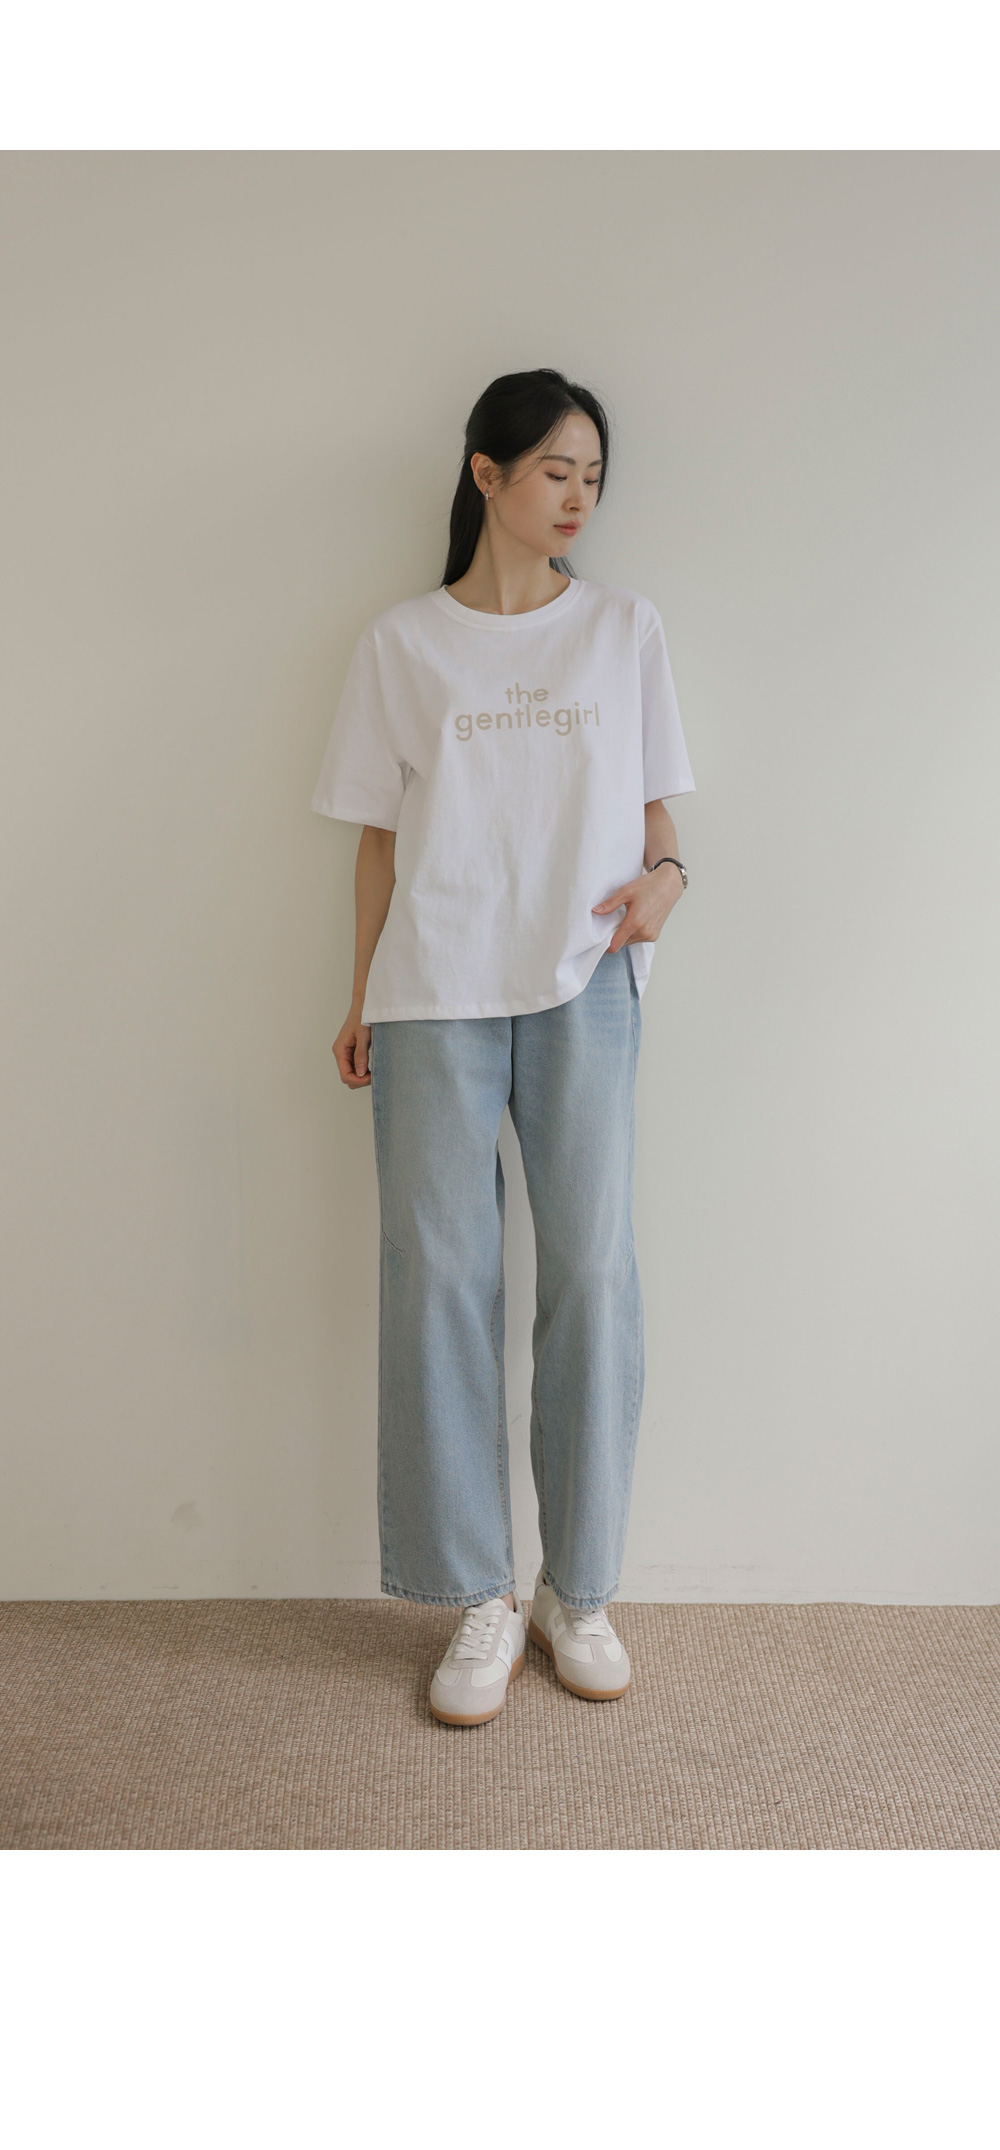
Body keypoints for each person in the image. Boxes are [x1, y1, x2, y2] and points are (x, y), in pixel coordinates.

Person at [311, 368, 695, 1726]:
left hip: (587, 981)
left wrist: (670, 878)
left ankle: (574, 1590)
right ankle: (476, 1588)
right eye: (555, 471)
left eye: (593, 475)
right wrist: (359, 993)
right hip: (432, 991)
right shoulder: (403, 643)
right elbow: (377, 836)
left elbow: (658, 812)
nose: (579, 495)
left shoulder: (623, 629)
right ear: (487, 473)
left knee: (591, 1273)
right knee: (439, 1280)